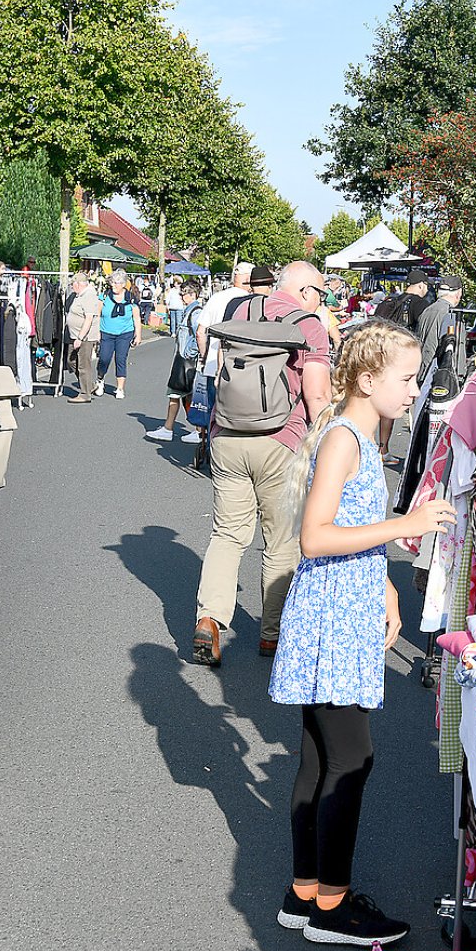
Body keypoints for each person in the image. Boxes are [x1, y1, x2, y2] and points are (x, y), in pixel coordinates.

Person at [270, 323, 455, 945]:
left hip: (341, 608)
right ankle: (333, 906)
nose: (413, 391)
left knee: (322, 757)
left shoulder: (361, 434)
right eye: (405, 379)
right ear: (368, 379)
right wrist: (409, 521)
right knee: (352, 758)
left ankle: (306, 894)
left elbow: (355, 523)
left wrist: (386, 587)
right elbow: (316, 536)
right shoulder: (346, 439)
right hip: (328, 616)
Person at [193, 260, 334, 666]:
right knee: (280, 540)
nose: (321, 302)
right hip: (281, 440)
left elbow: (221, 367)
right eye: (320, 294)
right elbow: (318, 396)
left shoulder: (239, 310)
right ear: (306, 291)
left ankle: (210, 619)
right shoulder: (309, 326)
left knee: (227, 534)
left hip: (228, 435)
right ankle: (272, 635)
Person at [148, 279, 204, 442]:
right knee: (183, 395)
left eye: (184, 293)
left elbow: (199, 334)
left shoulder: (195, 312)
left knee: (177, 393)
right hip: (185, 359)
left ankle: (172, 428)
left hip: (186, 360)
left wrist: (188, 352)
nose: (181, 296)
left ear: (192, 294)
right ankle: (190, 429)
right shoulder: (191, 310)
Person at [95, 269, 142, 398]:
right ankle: (100, 380)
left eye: (118, 283)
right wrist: (96, 332)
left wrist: (138, 334)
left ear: (123, 284)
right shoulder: (104, 296)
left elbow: (136, 317)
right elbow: (97, 314)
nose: (114, 285)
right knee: (104, 358)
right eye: (113, 282)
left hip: (124, 333)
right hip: (106, 332)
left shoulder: (130, 298)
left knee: (121, 359)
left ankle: (120, 388)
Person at [65, 271, 101, 404]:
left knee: (83, 365)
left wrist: (80, 337)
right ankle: (89, 385)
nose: (71, 287)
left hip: (85, 336)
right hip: (75, 335)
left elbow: (89, 318)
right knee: (71, 361)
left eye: (72, 284)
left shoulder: (89, 295)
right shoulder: (80, 295)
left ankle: (85, 393)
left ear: (78, 284)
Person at [374, 268, 429, 335]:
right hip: (407, 342)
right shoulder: (421, 303)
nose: (427, 289)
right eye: (427, 286)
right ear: (421, 285)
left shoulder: (396, 299)